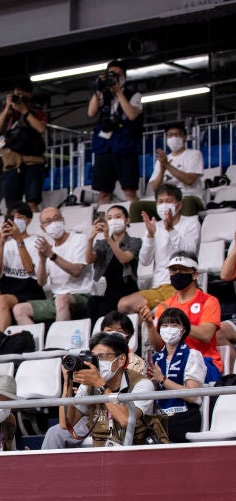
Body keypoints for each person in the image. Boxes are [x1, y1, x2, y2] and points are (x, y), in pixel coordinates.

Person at [41, 332, 155, 449]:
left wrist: (100, 384)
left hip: (137, 454)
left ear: (121, 359)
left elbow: (126, 420)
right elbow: (66, 424)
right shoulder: (89, 385)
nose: (97, 362)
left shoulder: (142, 384)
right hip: (101, 454)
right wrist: (67, 383)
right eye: (94, 357)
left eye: (102, 356)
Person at [118, 184, 200, 314]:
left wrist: (171, 230)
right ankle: (149, 327)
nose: (164, 205)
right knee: (124, 304)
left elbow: (190, 252)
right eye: (160, 202)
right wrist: (150, 236)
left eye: (168, 201)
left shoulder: (191, 223)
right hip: (158, 288)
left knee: (161, 312)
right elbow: (145, 261)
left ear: (178, 205)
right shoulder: (154, 226)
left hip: (183, 286)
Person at [141, 251, 222, 381]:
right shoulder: (164, 306)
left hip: (204, 362)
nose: (177, 273)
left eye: (183, 270)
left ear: (194, 274)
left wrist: (178, 321)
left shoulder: (209, 301)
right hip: (171, 363)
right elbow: (159, 346)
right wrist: (150, 325)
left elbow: (206, 335)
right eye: (173, 270)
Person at [12, 206, 94, 327]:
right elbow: (41, 282)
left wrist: (51, 255)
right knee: (19, 309)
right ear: (42, 228)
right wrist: (43, 260)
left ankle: (59, 342)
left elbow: (76, 271)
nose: (53, 223)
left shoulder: (79, 239)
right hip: (56, 300)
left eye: (56, 219)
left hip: (82, 295)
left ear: (63, 220)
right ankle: (36, 343)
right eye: (48, 221)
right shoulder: (50, 249)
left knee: (62, 299)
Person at [87, 60, 143, 205]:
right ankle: (103, 223)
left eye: (118, 75)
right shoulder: (103, 94)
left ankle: (136, 220)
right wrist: (98, 89)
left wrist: (118, 92)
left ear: (125, 77)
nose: (115, 78)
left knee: (129, 191)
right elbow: (91, 112)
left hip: (125, 147)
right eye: (112, 75)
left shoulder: (134, 95)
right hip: (104, 147)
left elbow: (131, 115)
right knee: (104, 192)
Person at [147, 308, 205, 443]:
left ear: (183, 330)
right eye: (165, 325)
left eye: (174, 325)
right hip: (160, 413)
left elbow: (192, 395)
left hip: (185, 415)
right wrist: (152, 382)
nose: (169, 329)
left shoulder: (192, 355)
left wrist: (163, 379)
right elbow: (152, 395)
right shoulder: (156, 359)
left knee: (164, 427)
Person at [0, 205, 42, 331]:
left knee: (2, 299)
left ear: (29, 220)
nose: (15, 221)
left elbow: (30, 270)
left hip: (31, 290)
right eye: (12, 218)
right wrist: (2, 243)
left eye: (20, 217)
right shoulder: (5, 245)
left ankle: (1, 339)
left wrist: (19, 240)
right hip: (9, 290)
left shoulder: (36, 241)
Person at [0, 80, 47, 212]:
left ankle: (34, 228)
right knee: (12, 206)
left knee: (32, 201)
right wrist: (7, 108)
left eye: (23, 94)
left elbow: (40, 128)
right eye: (17, 94)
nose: (19, 97)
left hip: (32, 162)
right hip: (11, 164)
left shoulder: (36, 110)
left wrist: (25, 111)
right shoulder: (9, 112)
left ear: (30, 94)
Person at [132, 123, 205, 219]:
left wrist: (167, 165)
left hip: (188, 196)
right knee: (136, 206)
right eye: (170, 135)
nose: (174, 138)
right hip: (165, 201)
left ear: (185, 137)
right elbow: (155, 188)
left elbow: (190, 180)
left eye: (177, 134)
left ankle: (186, 232)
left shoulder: (194, 154)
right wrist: (162, 170)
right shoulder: (162, 160)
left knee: (186, 201)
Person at [85, 207, 142, 322]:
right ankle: (91, 337)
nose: (113, 220)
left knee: (104, 308)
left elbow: (124, 259)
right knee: (92, 302)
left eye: (118, 217)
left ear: (127, 220)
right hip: (110, 291)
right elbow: (89, 259)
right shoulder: (102, 244)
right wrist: (90, 239)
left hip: (128, 291)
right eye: (109, 218)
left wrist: (108, 238)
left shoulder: (135, 241)